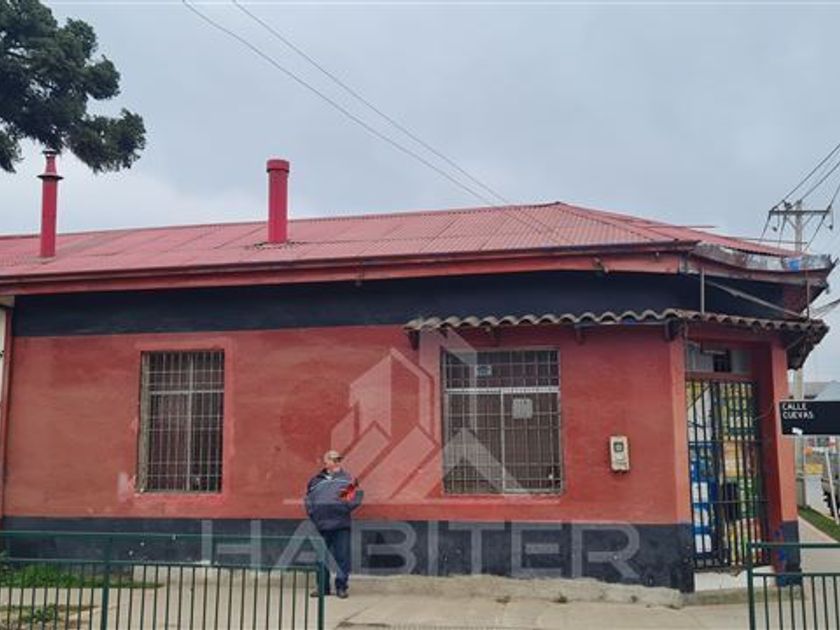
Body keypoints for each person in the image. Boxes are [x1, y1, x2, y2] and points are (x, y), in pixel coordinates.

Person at [304, 449, 363, 599]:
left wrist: (342, 508)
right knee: (320, 558)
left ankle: (341, 587)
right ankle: (322, 588)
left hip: (341, 524)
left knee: (342, 558)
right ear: (326, 462)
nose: (336, 462)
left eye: (338, 459)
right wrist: (313, 513)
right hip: (320, 525)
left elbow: (356, 496)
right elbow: (308, 499)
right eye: (333, 459)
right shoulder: (315, 481)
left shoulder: (347, 479)